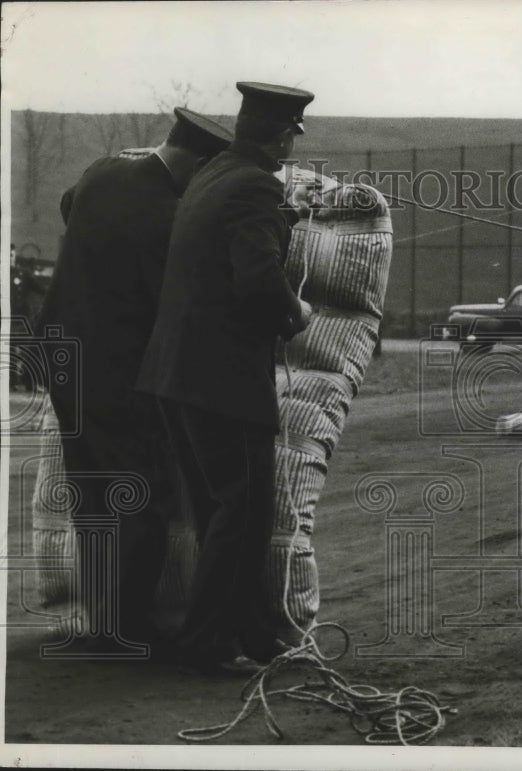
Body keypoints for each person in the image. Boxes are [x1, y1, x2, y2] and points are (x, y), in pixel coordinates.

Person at [37, 108, 234, 653]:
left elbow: (69, 205)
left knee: (93, 489)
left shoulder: (101, 172)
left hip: (61, 353)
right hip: (117, 368)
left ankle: (103, 620)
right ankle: (125, 627)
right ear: (197, 165)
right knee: (144, 491)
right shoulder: (173, 218)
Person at [137, 82, 315, 675]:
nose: (292, 141)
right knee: (243, 514)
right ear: (283, 133)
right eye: (292, 131)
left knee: (223, 513)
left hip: (175, 373)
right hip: (223, 382)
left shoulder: (212, 174)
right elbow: (258, 283)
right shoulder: (257, 186)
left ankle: (256, 632)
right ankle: (207, 645)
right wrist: (297, 313)